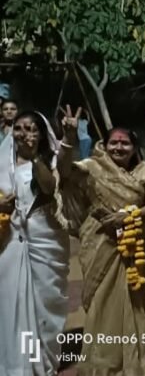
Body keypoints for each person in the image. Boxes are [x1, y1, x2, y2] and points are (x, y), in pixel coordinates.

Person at [55, 107, 145, 375]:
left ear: (134, 148)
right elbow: (64, 171)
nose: (118, 148)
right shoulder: (92, 167)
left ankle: (134, 360)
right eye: (113, 142)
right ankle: (102, 362)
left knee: (133, 301)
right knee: (100, 300)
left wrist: (128, 216)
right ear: (104, 144)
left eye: (124, 143)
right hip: (98, 241)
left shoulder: (143, 171)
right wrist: (69, 138)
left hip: (132, 243)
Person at [0, 111, 69, 375]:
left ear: (41, 134)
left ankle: (42, 362)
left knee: (43, 308)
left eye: (31, 129)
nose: (24, 134)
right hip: (10, 242)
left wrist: (33, 158)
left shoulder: (49, 161)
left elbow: (49, 188)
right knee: (13, 305)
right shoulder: (2, 163)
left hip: (45, 241)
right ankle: (20, 364)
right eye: (19, 128)